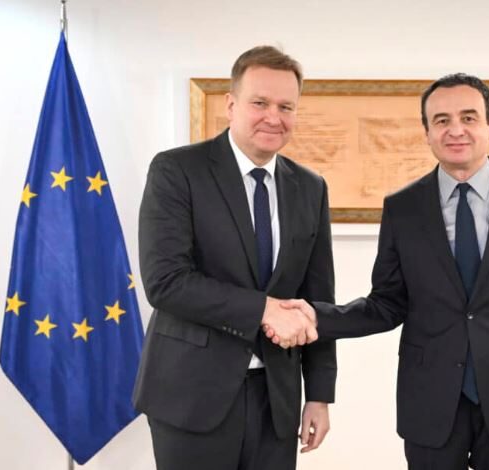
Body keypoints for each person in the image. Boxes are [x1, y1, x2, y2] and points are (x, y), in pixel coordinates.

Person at [270, 73, 489, 470]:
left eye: (468, 117)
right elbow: (386, 304)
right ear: (427, 132)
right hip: (430, 401)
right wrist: (318, 316)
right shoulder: (403, 208)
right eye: (442, 120)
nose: (456, 130)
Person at [133, 45, 336, 470]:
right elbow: (165, 281)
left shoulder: (310, 187)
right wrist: (264, 309)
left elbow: (317, 299)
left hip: (275, 400)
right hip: (191, 394)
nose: (273, 117)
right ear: (231, 104)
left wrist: (319, 394)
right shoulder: (177, 171)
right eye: (260, 103)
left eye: (286, 107)